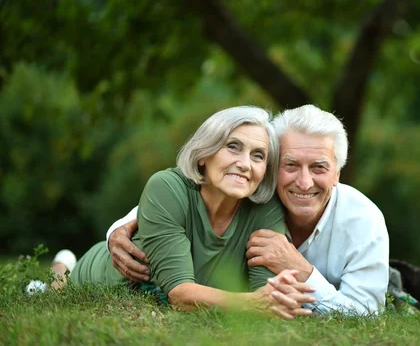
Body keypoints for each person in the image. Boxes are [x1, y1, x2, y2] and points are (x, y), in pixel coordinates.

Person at [36, 106, 315, 319]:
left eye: (258, 155)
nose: (245, 164)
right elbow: (179, 295)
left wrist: (267, 301)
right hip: (102, 275)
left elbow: (268, 296)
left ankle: (62, 266)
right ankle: (63, 269)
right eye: (233, 147)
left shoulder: (265, 210)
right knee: (55, 292)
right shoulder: (166, 187)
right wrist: (253, 304)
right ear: (204, 154)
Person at [107, 105, 390, 315]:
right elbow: (182, 201)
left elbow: (367, 315)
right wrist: (124, 224)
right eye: (290, 165)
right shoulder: (258, 197)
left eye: (319, 167)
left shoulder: (364, 221)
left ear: (337, 174)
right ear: (273, 167)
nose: (304, 183)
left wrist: (303, 271)